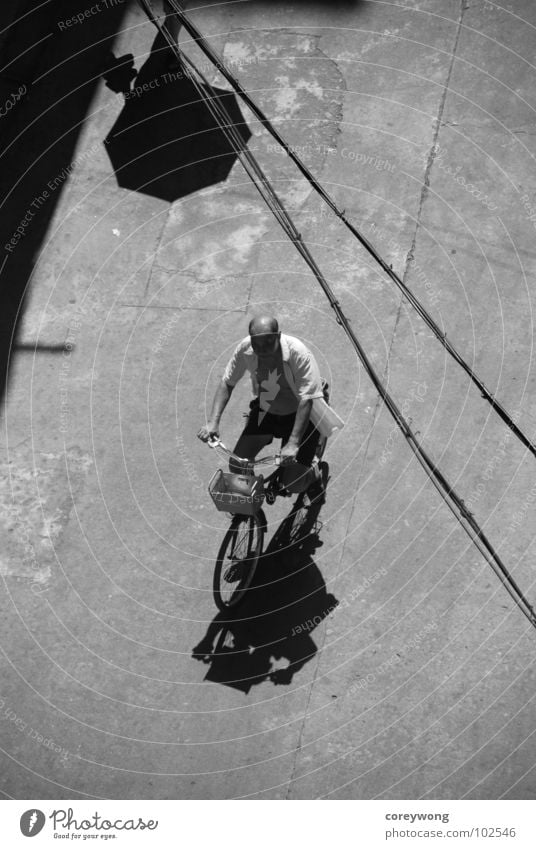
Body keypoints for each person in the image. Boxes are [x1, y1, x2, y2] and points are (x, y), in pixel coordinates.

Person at [197, 315, 329, 495]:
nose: (262, 349)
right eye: (257, 344)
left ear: (278, 336)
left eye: (268, 342)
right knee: (237, 464)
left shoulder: (298, 352)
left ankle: (313, 473)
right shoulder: (246, 348)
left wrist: (292, 443)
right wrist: (213, 422)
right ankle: (253, 498)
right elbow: (227, 382)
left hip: (300, 413)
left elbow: (306, 399)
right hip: (267, 407)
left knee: (294, 485)